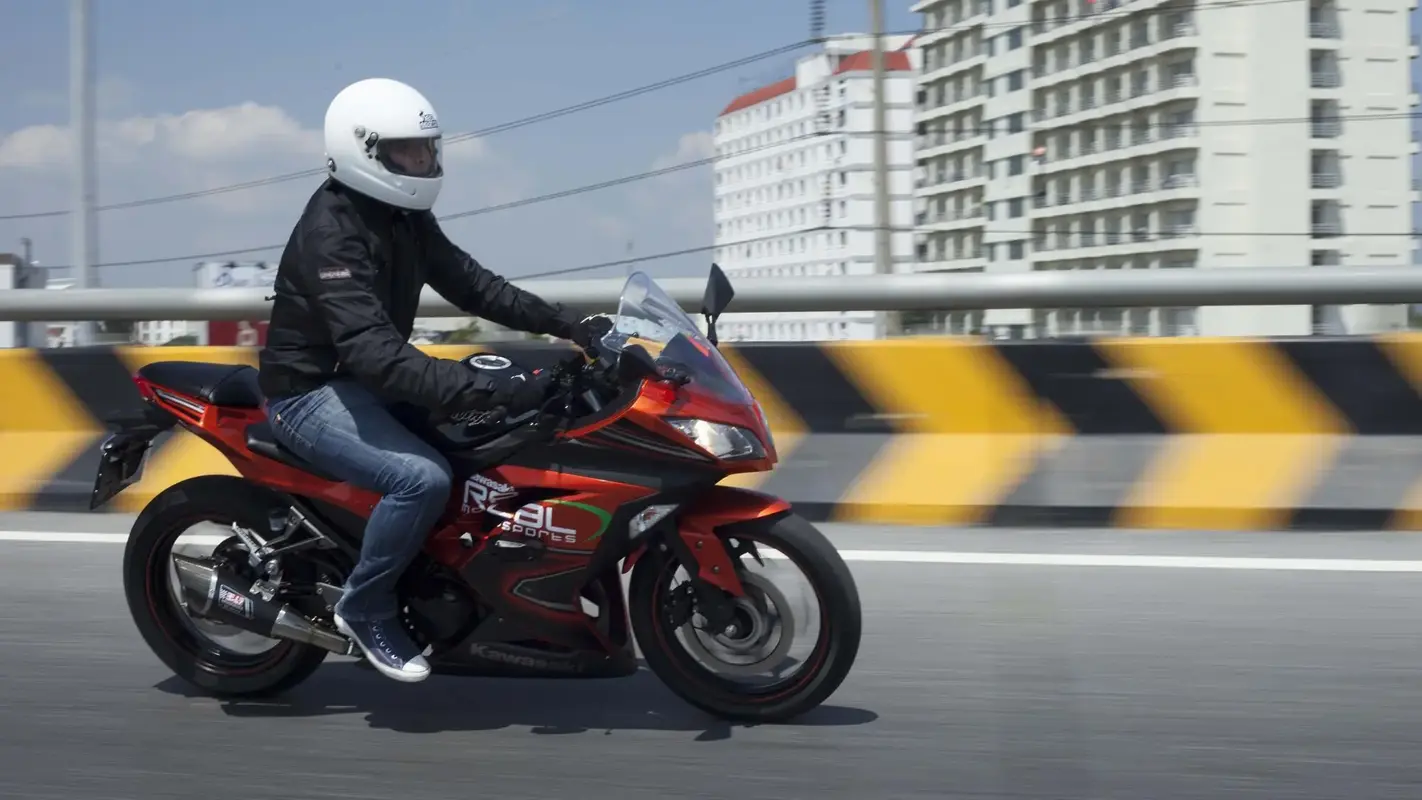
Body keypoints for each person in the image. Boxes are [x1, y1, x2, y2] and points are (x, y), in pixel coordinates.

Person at [256, 77, 609, 683]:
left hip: (366, 382)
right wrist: (500, 387)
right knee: (421, 480)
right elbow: (378, 358)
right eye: (406, 151)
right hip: (309, 393)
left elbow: (474, 285)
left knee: (496, 435)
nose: (422, 162)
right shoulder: (331, 234)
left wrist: (570, 325)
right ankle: (365, 606)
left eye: (426, 149)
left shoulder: (403, 216)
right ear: (363, 151)